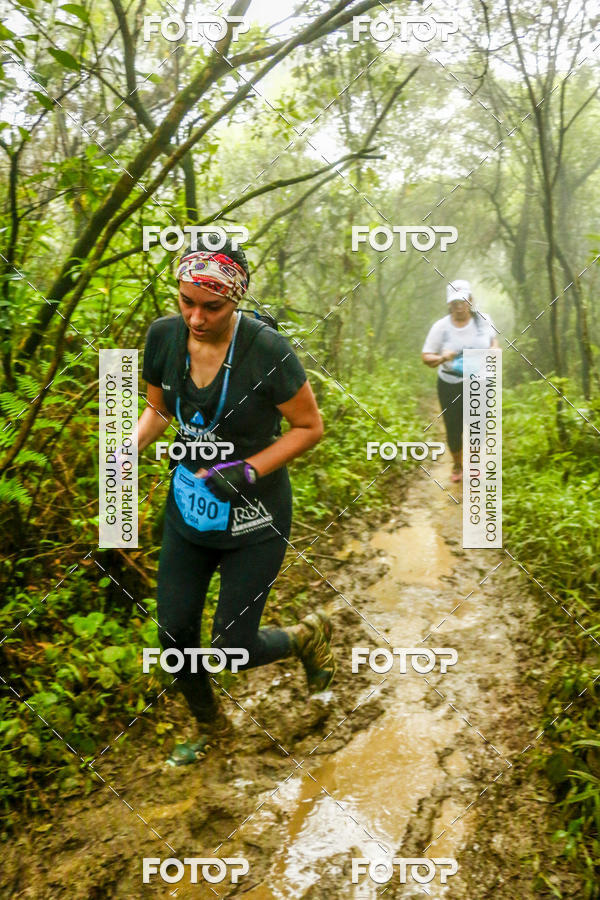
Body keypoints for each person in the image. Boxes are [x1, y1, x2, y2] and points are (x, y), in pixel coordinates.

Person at [136, 233, 335, 766]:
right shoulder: (162, 337)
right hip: (189, 511)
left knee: (230, 647)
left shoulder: (266, 351)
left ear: (237, 298)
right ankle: (212, 728)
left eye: (212, 306)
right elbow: (158, 411)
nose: (197, 318)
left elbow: (309, 427)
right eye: (187, 302)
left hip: (254, 516)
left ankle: (305, 638)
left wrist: (246, 470)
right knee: (174, 636)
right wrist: (124, 447)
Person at [421, 279, 499, 482]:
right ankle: (457, 464)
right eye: (454, 302)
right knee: (454, 427)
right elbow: (426, 356)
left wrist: (494, 350)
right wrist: (441, 358)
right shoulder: (441, 327)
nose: (459, 306)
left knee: (478, 427)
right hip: (450, 384)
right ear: (449, 304)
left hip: (479, 381)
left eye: (463, 301)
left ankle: (473, 463)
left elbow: (493, 341)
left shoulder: (483, 320)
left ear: (471, 300)